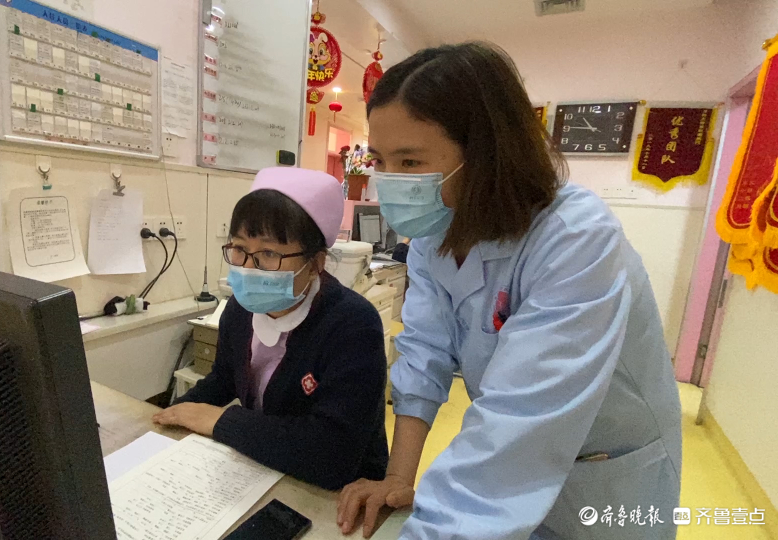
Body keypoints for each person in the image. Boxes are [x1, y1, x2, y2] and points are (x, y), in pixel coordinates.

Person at [336, 42, 682, 539]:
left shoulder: (574, 238)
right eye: (380, 161)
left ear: (485, 154)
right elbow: (425, 353)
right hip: (513, 467)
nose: (389, 181)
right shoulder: (436, 232)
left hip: (606, 471)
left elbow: (520, 421)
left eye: (409, 162)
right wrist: (397, 479)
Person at [153, 167, 389, 491]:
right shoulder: (240, 310)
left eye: (268, 253)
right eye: (239, 248)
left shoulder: (353, 325)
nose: (248, 268)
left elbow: (332, 454)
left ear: (316, 262)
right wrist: (173, 416)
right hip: (266, 471)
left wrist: (220, 420)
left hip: (339, 493)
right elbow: (223, 379)